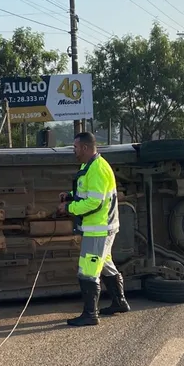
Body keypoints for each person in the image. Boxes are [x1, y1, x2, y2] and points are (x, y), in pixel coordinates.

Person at [56, 132, 128, 326]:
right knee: (105, 265)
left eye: (76, 147)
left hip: (98, 229)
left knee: (87, 272)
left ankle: (90, 314)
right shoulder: (90, 166)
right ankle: (119, 302)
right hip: (102, 227)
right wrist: (70, 195)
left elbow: (95, 202)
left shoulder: (97, 169)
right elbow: (86, 192)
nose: (74, 151)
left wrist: (69, 208)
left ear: (86, 148)